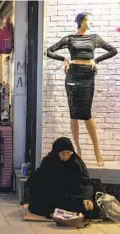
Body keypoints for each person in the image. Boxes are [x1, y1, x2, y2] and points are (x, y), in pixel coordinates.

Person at [46, 12, 117, 166]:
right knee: (74, 114)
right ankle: (77, 149)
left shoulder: (95, 38)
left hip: (87, 76)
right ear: (82, 21)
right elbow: (49, 50)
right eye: (89, 20)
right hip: (72, 76)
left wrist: (96, 60)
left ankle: (97, 149)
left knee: (86, 113)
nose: (90, 23)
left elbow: (113, 50)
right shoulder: (69, 38)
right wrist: (64, 59)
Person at [28, 137, 100, 219]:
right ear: (56, 152)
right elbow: (38, 182)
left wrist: (87, 198)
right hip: (55, 195)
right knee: (40, 201)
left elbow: (85, 182)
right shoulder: (49, 162)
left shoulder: (77, 163)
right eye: (62, 153)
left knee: (91, 205)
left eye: (68, 152)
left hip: (73, 195)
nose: (66, 156)